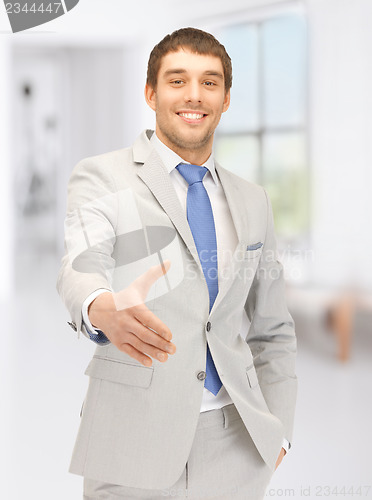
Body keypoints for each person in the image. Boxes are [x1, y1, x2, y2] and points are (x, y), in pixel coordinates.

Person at [57, 27, 297, 500]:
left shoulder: (253, 200)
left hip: (238, 442)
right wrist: (101, 307)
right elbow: (80, 265)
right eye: (177, 80)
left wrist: (279, 431)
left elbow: (273, 328)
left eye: (210, 82)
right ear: (151, 92)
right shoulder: (102, 175)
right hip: (131, 437)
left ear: (226, 99)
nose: (194, 95)